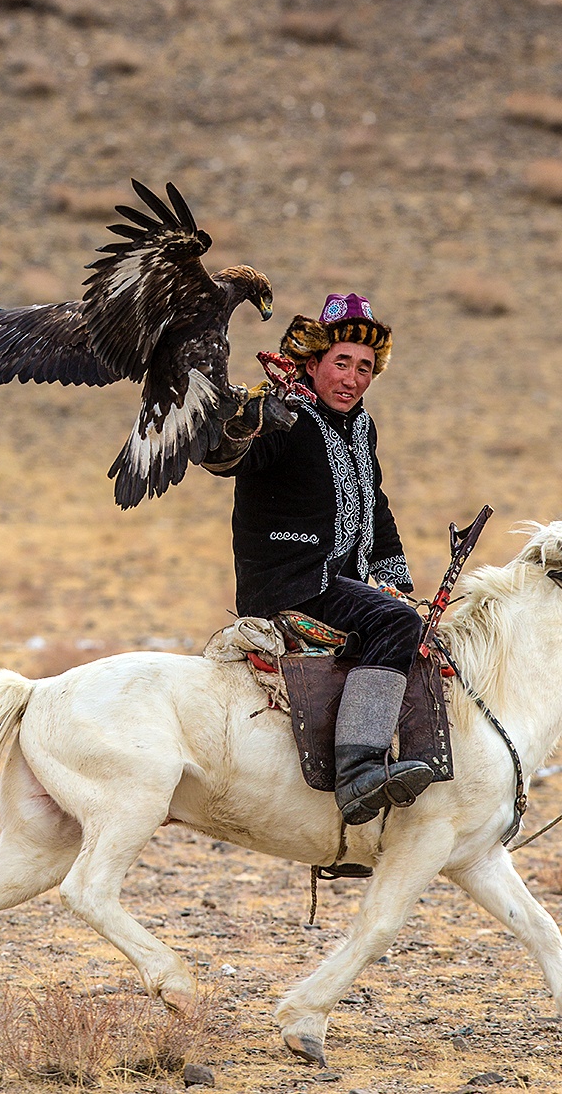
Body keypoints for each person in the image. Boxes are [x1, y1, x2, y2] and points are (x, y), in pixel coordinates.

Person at [203, 293, 433, 824]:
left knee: (408, 616)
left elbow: (376, 505)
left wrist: (393, 578)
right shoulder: (281, 412)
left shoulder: (362, 426)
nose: (352, 378)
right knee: (397, 623)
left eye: (365, 368)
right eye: (341, 363)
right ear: (313, 365)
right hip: (292, 581)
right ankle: (359, 773)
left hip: (343, 583)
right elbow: (229, 459)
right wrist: (232, 426)